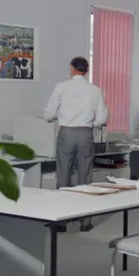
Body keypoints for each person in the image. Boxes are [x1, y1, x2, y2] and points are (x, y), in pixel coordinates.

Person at [44, 56, 107, 232]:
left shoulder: (61, 87)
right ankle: (85, 222)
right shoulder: (95, 90)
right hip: (85, 134)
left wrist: (61, 116)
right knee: (85, 178)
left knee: (63, 175)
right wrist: (88, 124)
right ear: (86, 71)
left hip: (66, 133)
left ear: (72, 69)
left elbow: (48, 114)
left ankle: (61, 222)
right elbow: (102, 118)